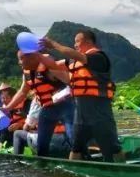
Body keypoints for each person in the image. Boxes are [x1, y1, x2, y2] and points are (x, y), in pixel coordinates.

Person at [42, 30, 120, 163]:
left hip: (99, 114)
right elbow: (52, 65)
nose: (75, 44)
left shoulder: (98, 57)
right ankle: (74, 175)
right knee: (76, 147)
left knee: (113, 148)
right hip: (81, 115)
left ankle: (120, 172)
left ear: (89, 42)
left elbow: (74, 55)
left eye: (77, 41)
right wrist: (36, 55)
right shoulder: (75, 62)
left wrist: (54, 44)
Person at [3, 47, 73, 159]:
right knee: (42, 144)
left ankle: (81, 156)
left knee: (73, 139)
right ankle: (42, 165)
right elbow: (22, 92)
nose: (19, 62)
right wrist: (7, 108)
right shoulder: (26, 74)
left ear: (32, 57)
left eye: (21, 59)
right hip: (47, 110)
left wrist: (64, 94)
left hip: (65, 106)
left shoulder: (49, 67)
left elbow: (71, 82)